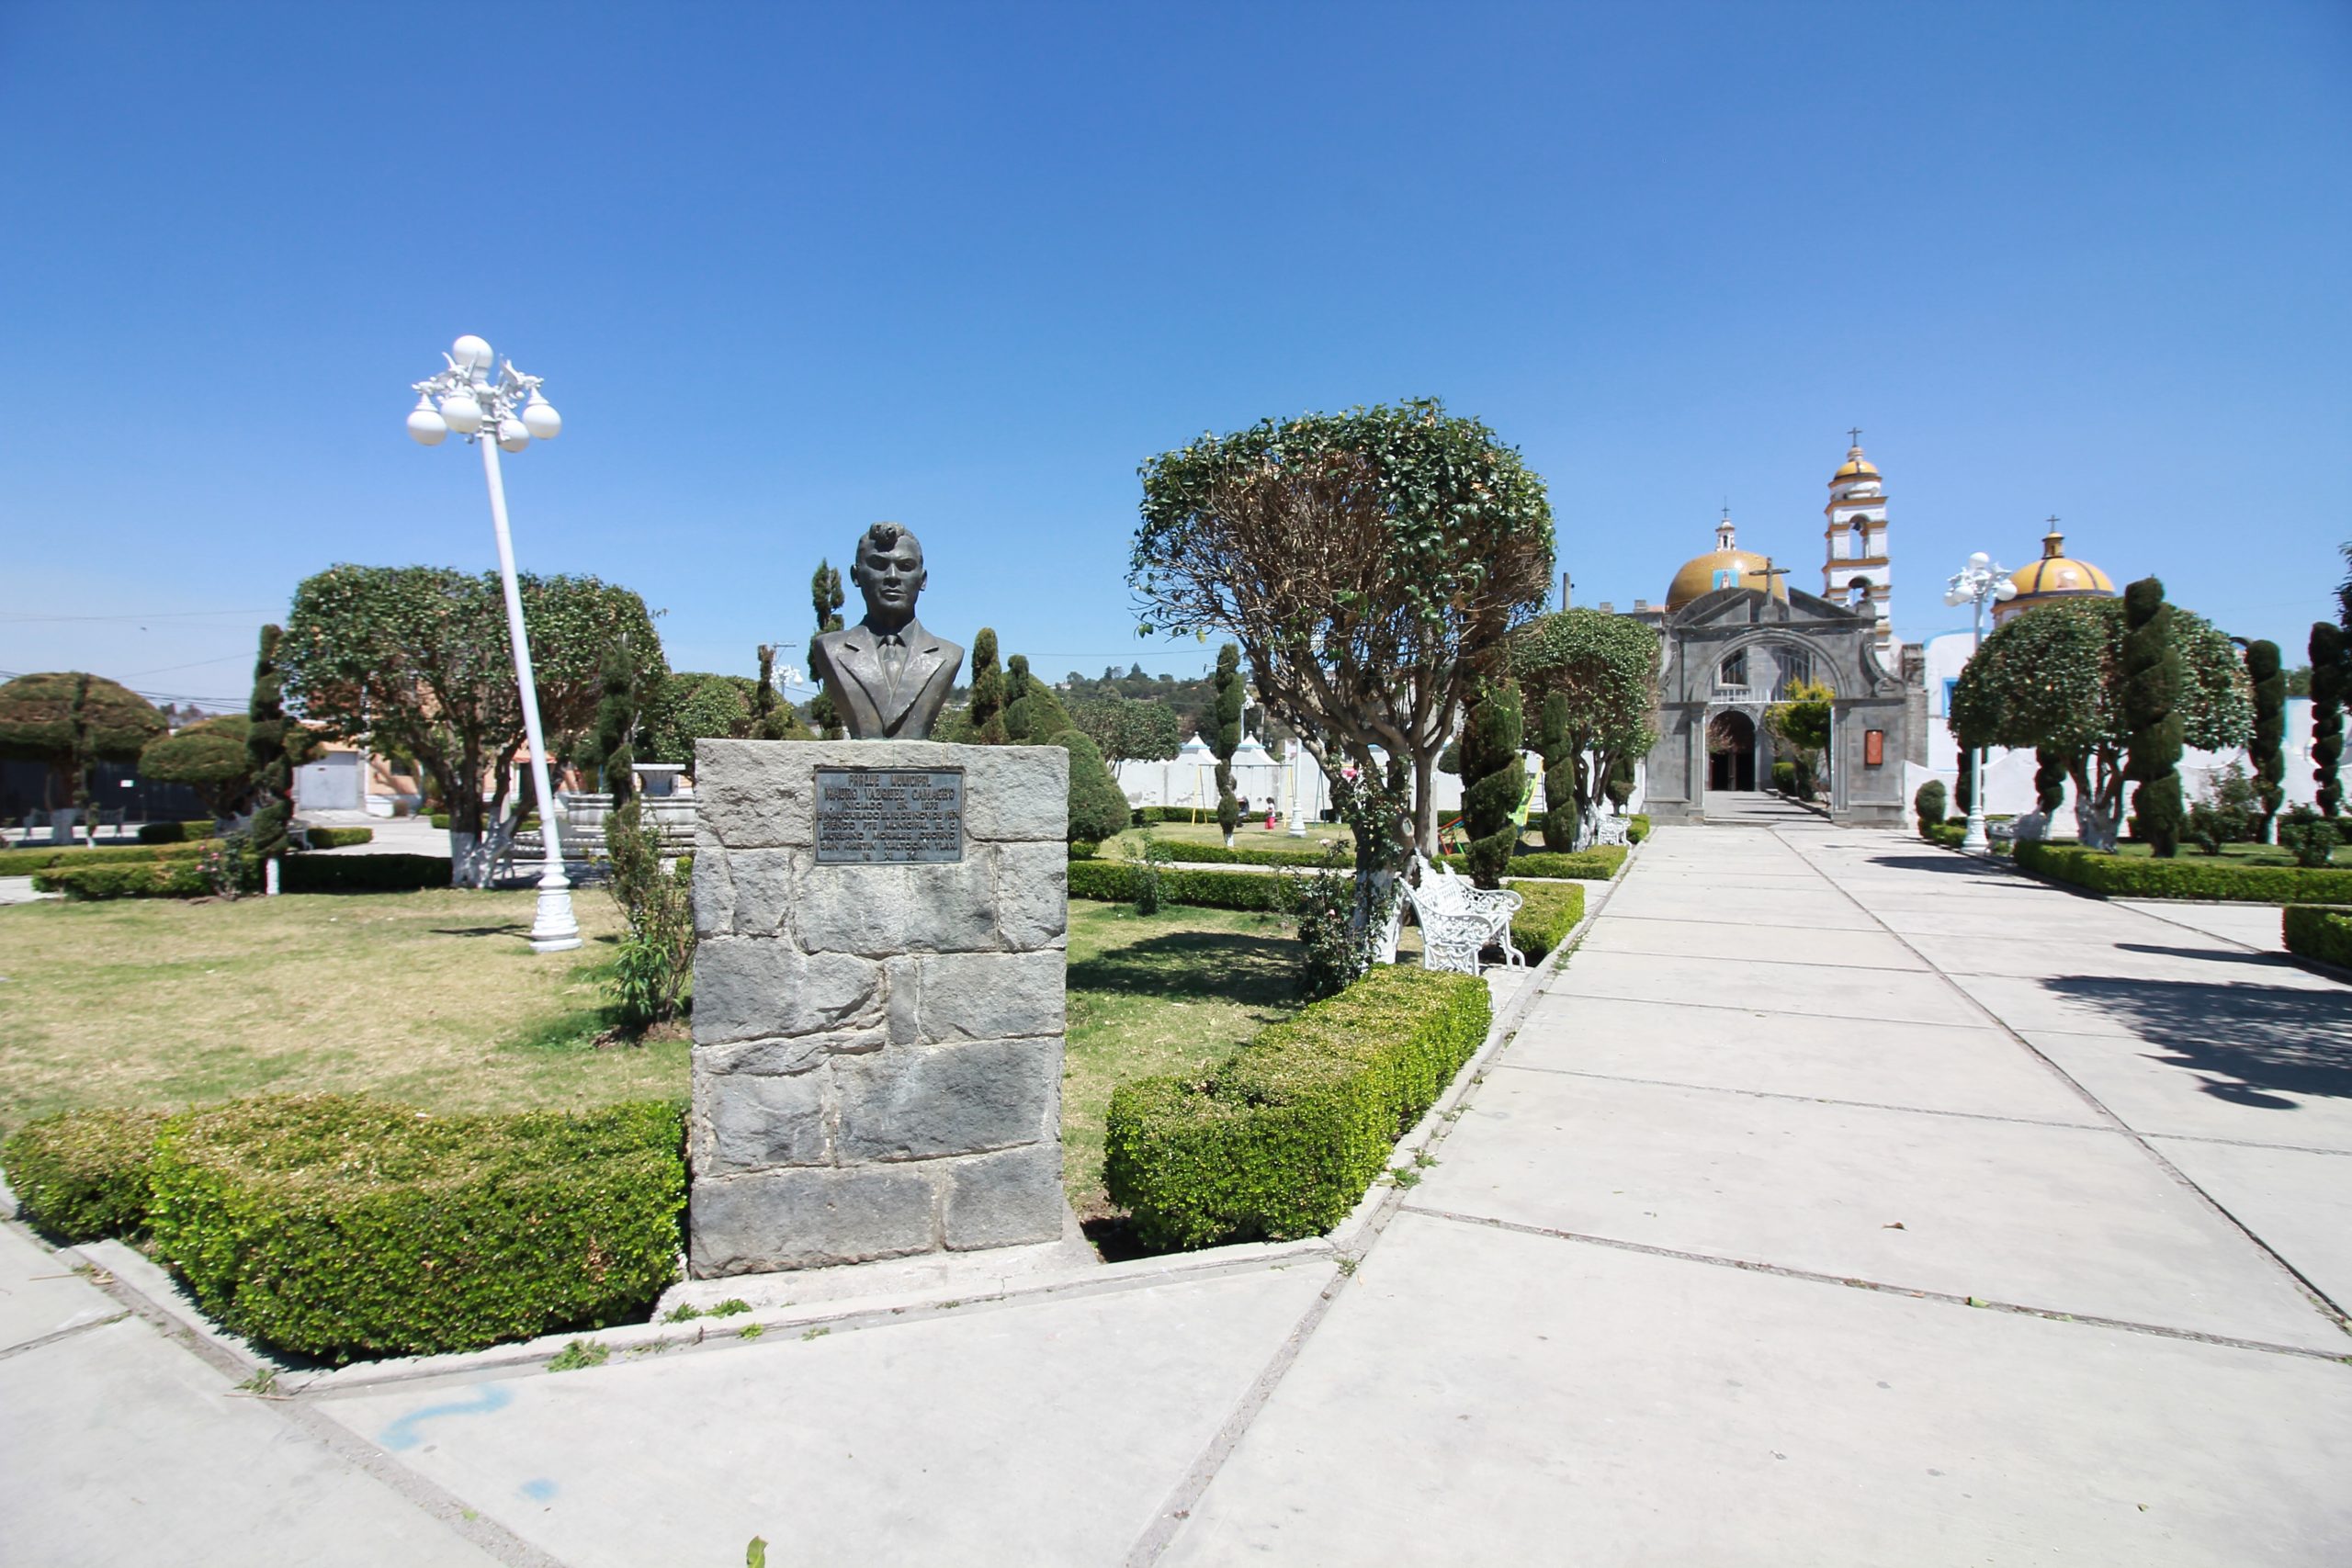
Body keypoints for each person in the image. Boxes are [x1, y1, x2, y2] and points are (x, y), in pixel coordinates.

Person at [809, 523, 965, 740]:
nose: (892, 576)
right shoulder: (829, 648)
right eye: (878, 564)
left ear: (923, 580)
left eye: (906, 566)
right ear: (856, 576)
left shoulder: (948, 655)